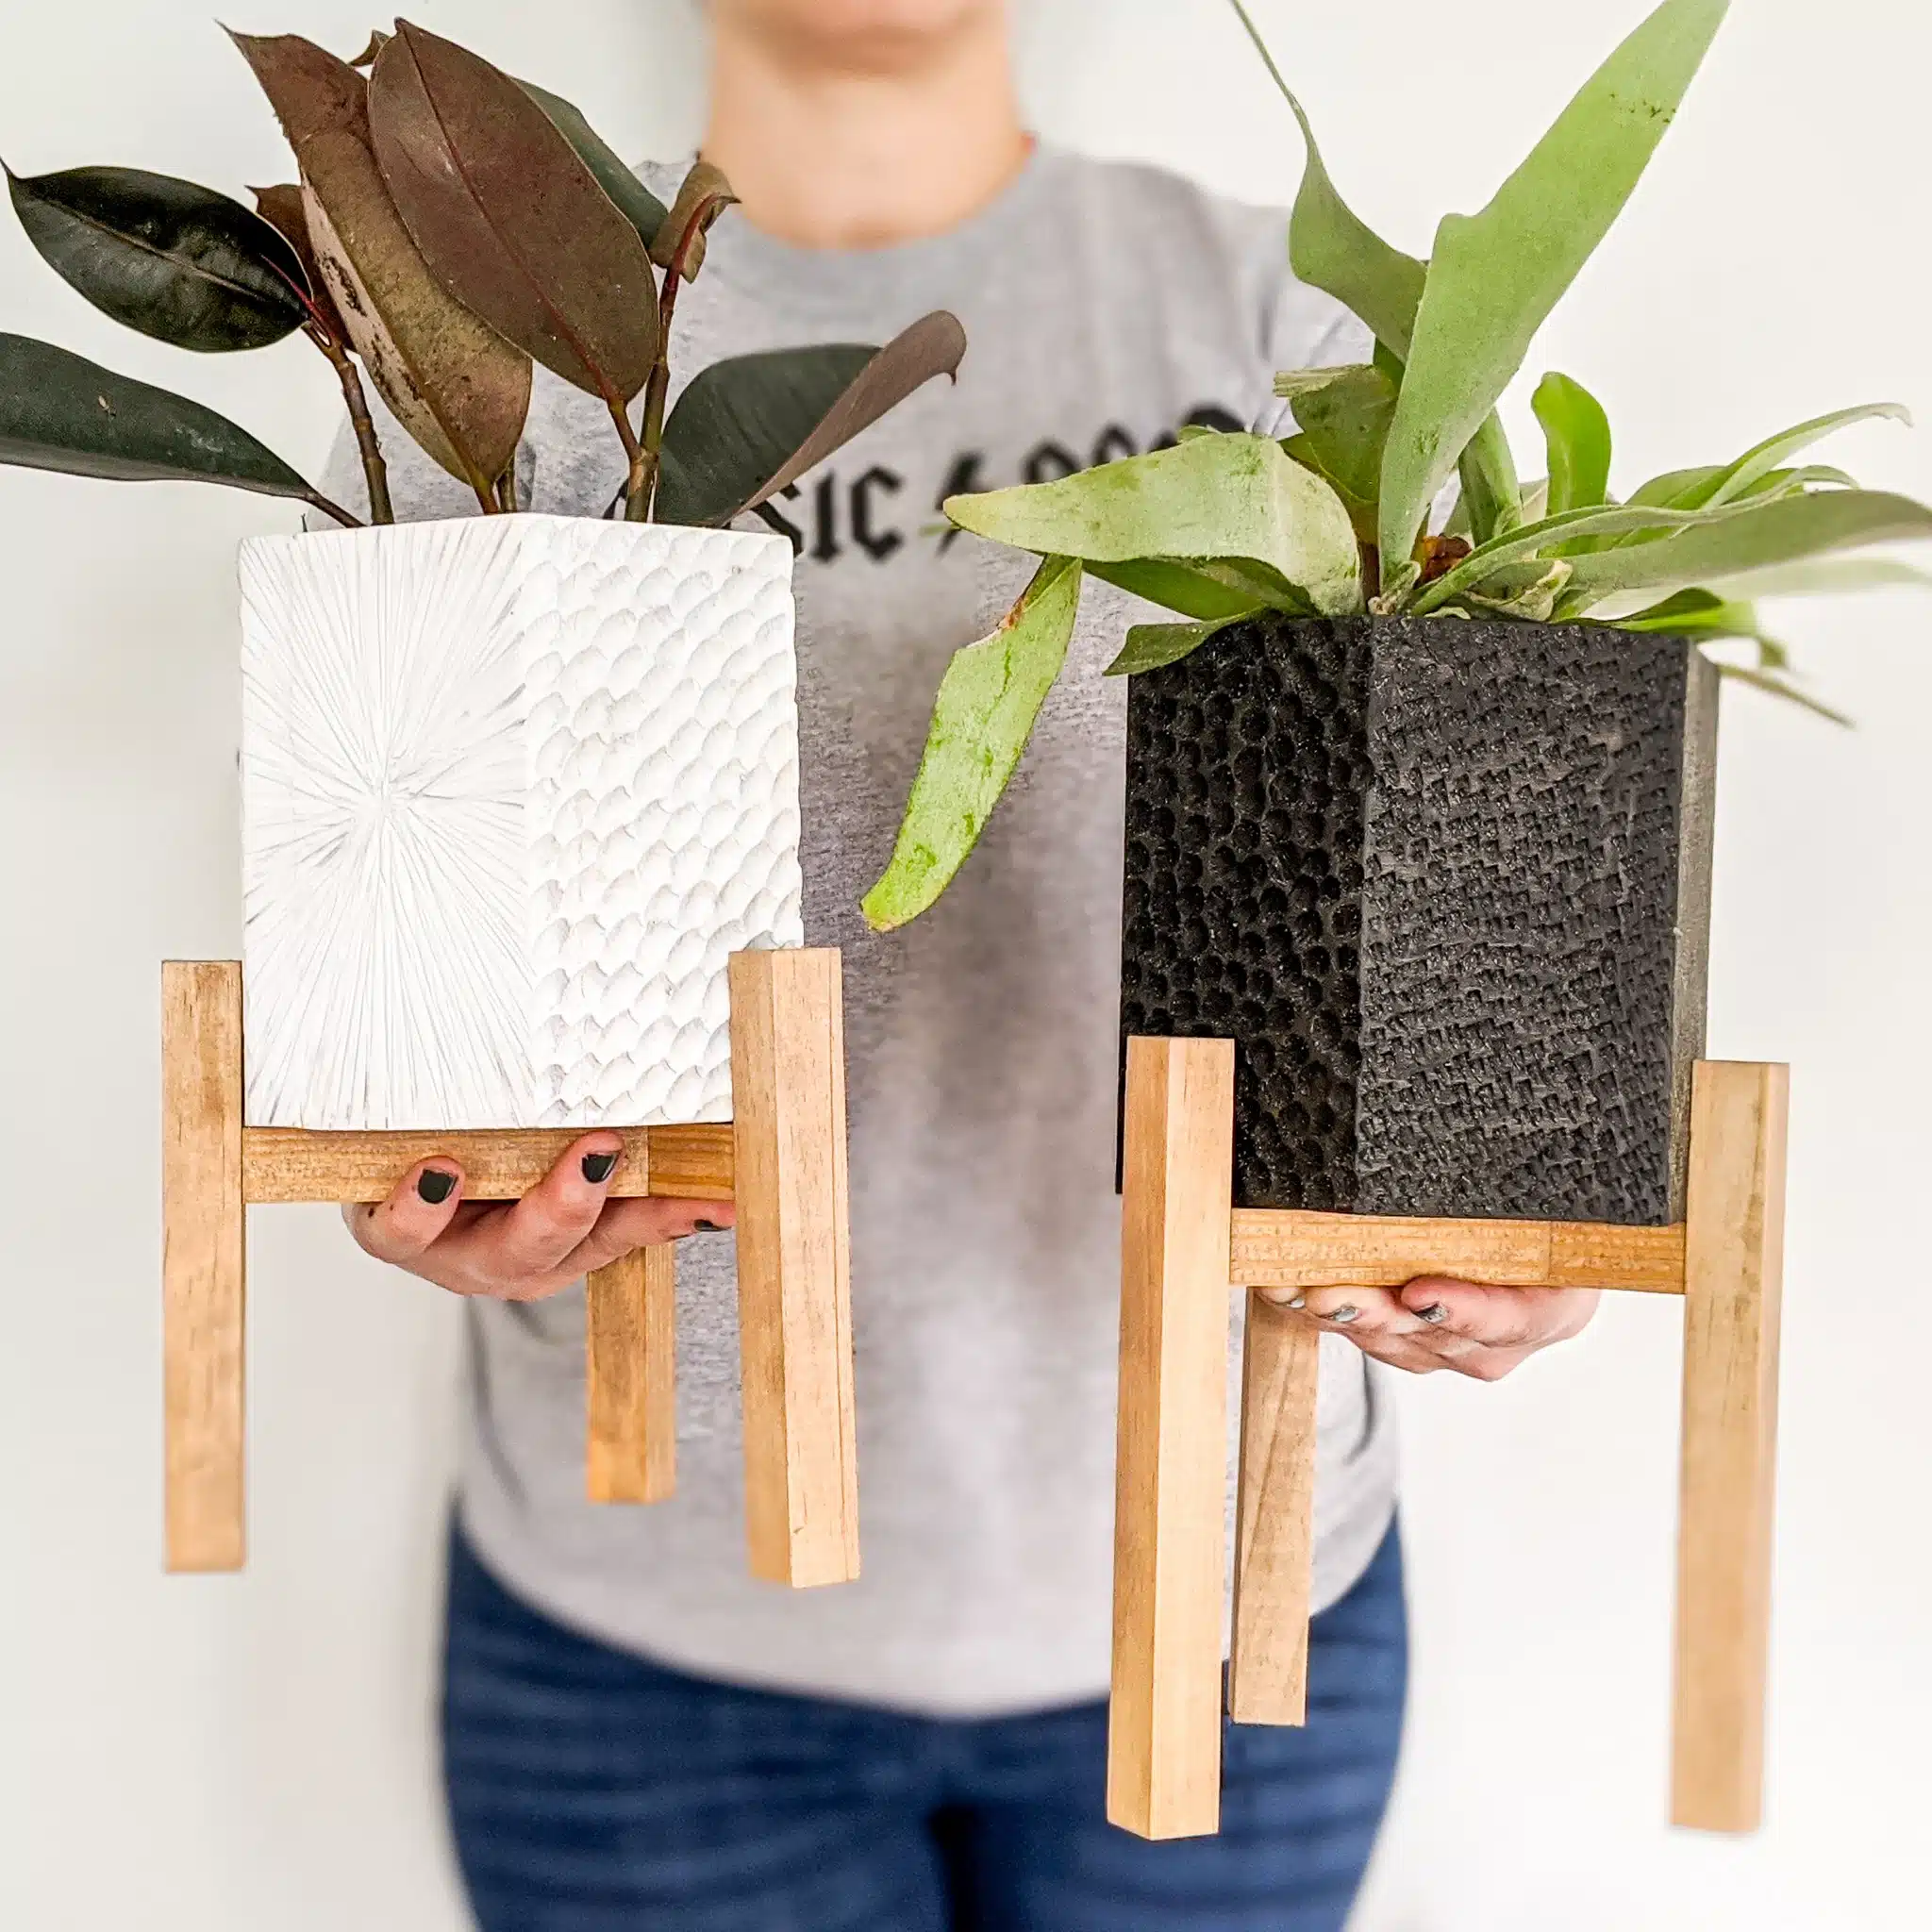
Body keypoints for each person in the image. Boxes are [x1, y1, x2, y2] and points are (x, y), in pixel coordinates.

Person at [335, 2, 1600, 1924]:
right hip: (642, 1646)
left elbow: (1447, 924)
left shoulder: (1297, 334)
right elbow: (405, 925)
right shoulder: (470, 357)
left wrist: (1501, 1210)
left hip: (1235, 1603)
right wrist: (402, 1137)